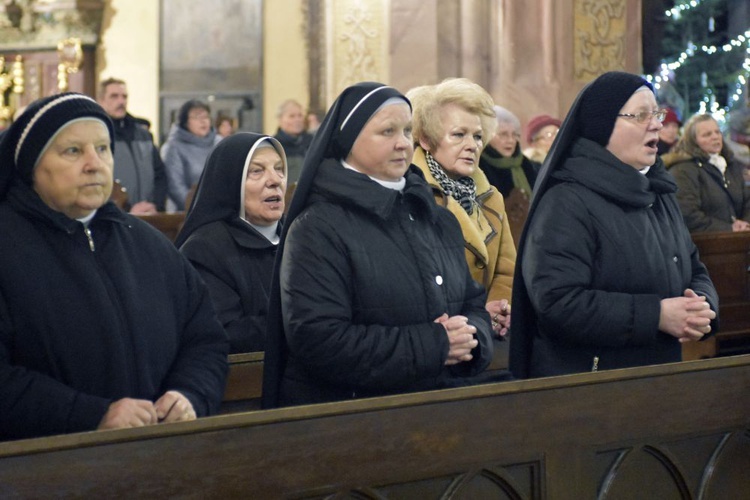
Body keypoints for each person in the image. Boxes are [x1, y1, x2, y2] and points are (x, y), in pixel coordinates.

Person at [0, 93, 229, 441]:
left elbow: (204, 338)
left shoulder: (146, 242)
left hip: (158, 459)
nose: (95, 163)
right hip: (41, 469)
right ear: (31, 165)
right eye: (73, 151)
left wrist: (191, 394)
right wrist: (92, 415)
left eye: (103, 148)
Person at [261, 82, 494, 408]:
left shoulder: (436, 217)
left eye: (407, 130)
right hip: (357, 418)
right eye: (388, 131)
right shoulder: (317, 228)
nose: (403, 143)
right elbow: (319, 340)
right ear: (349, 139)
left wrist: (472, 338)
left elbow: (471, 301)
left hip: (442, 409)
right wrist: (435, 345)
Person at [509, 71, 718, 379]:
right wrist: (657, 315)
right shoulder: (567, 200)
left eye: (656, 114)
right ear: (602, 124)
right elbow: (557, 303)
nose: (657, 124)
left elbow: (693, 266)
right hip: (590, 383)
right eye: (641, 115)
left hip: (660, 371)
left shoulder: (657, 191)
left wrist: (702, 307)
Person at [407, 78, 516, 340]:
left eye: (478, 136)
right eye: (459, 134)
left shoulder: (492, 198)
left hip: (487, 335)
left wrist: (498, 307)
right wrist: (476, 314)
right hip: (438, 334)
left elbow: (506, 269)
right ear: (426, 139)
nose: (472, 145)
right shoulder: (410, 193)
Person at [176, 133, 287, 353]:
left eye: (279, 168)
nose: (275, 180)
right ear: (230, 181)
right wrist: (305, 324)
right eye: (257, 171)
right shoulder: (204, 249)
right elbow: (226, 333)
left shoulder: (299, 238)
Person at [663, 114, 750, 233]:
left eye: (717, 132)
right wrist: (728, 228)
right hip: (705, 244)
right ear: (693, 141)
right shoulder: (682, 170)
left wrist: (745, 224)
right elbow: (687, 214)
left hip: (739, 239)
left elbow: (747, 201)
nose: (715, 137)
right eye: (707, 134)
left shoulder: (730, 164)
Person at [98, 77, 167, 214]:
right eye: (114, 96)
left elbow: (159, 174)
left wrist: (155, 205)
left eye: (124, 97)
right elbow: (98, 179)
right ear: (101, 100)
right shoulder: (98, 136)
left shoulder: (143, 134)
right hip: (115, 215)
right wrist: (128, 209)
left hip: (150, 214)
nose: (121, 101)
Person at [162, 99, 222, 210]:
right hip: (187, 213)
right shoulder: (174, 146)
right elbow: (175, 187)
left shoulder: (220, 142)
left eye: (206, 117)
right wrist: (196, 209)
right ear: (185, 122)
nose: (203, 121)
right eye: (197, 117)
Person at [479, 105, 540, 198]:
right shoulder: (479, 166)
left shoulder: (528, 165)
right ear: (487, 136)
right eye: (503, 134)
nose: (510, 140)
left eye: (514, 135)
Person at [272, 99, 313, 184]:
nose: (297, 120)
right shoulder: (274, 146)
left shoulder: (313, 142)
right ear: (280, 120)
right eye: (292, 116)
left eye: (300, 115)